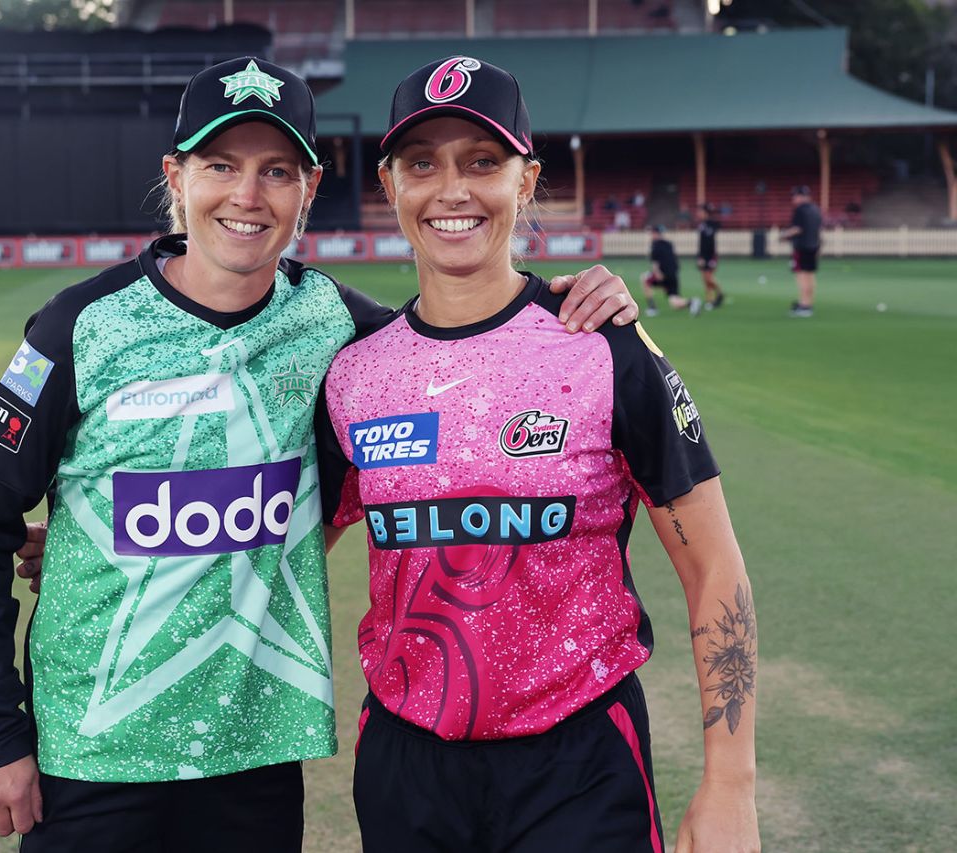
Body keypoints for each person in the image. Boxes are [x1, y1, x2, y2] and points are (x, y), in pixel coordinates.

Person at [0, 56, 639, 850]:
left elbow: (455, 334)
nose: (247, 195)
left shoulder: (341, 328)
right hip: (92, 751)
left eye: (276, 171)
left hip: (254, 754)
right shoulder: (76, 326)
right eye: (220, 166)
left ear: (309, 188)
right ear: (177, 174)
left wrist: (565, 300)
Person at [317, 56, 759, 853]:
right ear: (390, 184)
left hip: (580, 766)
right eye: (423, 163)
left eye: (483, 162)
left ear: (526, 182)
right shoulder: (354, 373)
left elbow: (714, 569)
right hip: (406, 764)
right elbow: (271, 542)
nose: (452, 189)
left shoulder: (602, 345)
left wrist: (731, 783)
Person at [642, 224, 701, 317]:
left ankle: (652, 307)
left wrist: (657, 273)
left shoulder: (655, 245)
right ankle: (691, 302)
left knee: (645, 279)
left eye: (652, 233)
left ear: (655, 233)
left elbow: (655, 262)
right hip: (673, 274)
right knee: (674, 303)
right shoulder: (669, 244)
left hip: (663, 274)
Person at [781, 185, 821, 318]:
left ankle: (804, 305)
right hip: (814, 246)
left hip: (802, 247)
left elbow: (797, 229)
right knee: (810, 276)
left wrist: (784, 235)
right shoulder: (816, 209)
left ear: (800, 196)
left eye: (795, 196)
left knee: (801, 276)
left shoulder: (800, 210)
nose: (793, 199)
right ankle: (808, 303)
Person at [696, 202, 726, 310]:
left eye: (701, 211)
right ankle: (710, 300)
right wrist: (700, 256)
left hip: (711, 255)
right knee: (705, 279)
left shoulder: (712, 223)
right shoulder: (702, 225)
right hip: (703, 255)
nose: (698, 213)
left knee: (709, 277)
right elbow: (702, 242)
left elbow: (710, 242)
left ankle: (720, 293)